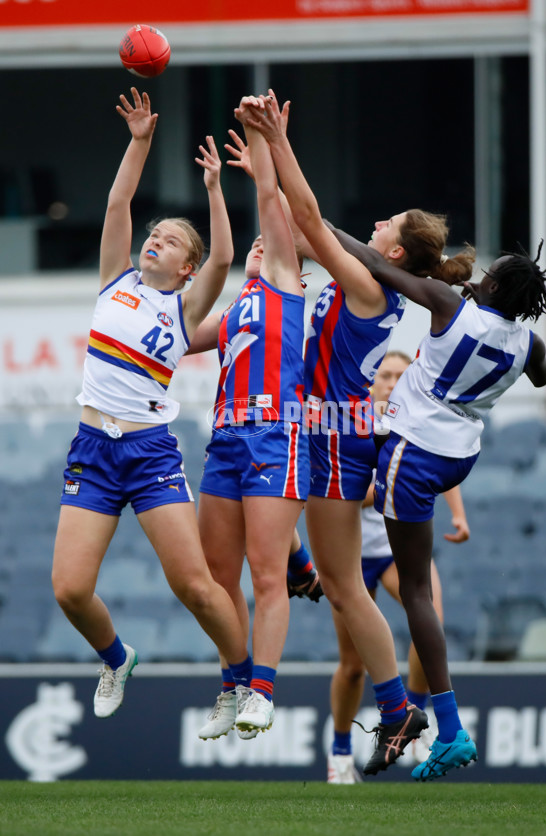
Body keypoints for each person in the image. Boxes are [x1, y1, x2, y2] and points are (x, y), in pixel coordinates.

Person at [242, 90, 476, 776]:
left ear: (396, 247)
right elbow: (291, 216)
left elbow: (310, 217)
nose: (373, 224)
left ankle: (395, 708)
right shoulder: (367, 284)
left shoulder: (372, 287)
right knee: (341, 586)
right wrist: (262, 152)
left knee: (341, 584)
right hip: (323, 432)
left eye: (385, 223)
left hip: (336, 437)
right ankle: (397, 707)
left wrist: (277, 140)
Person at [326, 230, 546, 780]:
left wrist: (319, 224)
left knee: (414, 593)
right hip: (457, 455)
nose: (478, 279)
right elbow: (542, 375)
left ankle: (449, 729)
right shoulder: (530, 344)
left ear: (497, 285)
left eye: (489, 275)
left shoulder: (450, 306)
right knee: (415, 589)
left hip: (414, 448)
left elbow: (373, 264)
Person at [51, 87, 252, 720]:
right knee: (70, 589)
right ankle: (116, 658)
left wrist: (216, 189)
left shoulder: (183, 304)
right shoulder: (116, 279)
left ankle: (243, 682)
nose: (155, 241)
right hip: (92, 446)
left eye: (169, 241)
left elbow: (224, 255)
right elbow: (118, 202)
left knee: (196, 586)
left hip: (149, 450)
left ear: (187, 270)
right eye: (154, 235)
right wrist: (139, 143)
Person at [194, 96, 309, 740]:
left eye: (279, 235)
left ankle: (262, 689)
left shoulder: (289, 285)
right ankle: (233, 682)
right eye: (262, 240)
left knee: (267, 573)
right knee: (217, 577)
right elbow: (177, 336)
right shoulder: (240, 306)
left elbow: (272, 200)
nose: (267, 240)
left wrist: (263, 139)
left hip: (275, 433)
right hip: (227, 439)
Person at [327, 350, 470, 784]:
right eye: (384, 375)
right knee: (352, 665)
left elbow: (439, 468)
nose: (391, 382)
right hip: (352, 556)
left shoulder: (416, 423)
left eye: (400, 375)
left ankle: (413, 713)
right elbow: (352, 491)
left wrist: (459, 514)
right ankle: (339, 753)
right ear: (371, 382)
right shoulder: (353, 423)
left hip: (394, 551)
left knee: (433, 620)